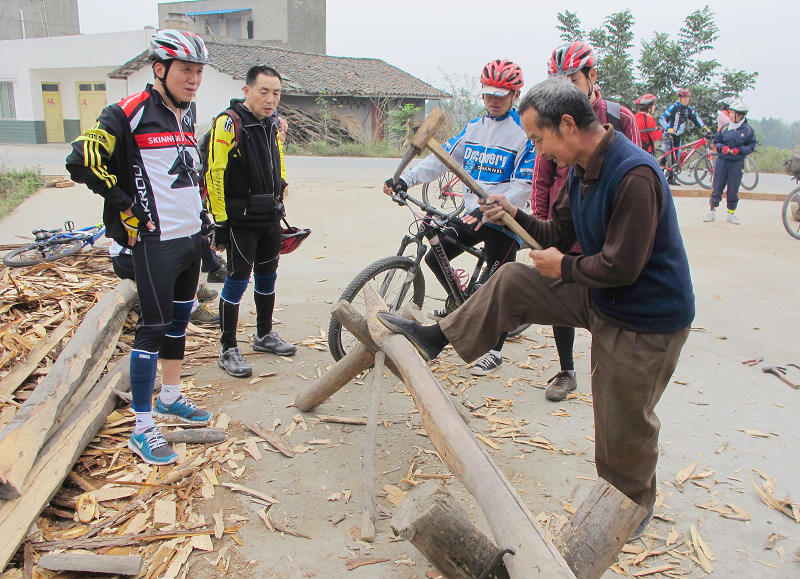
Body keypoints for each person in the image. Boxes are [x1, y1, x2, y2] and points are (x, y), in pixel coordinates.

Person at [377, 77, 695, 539]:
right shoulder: (580, 169)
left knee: (621, 419)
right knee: (513, 281)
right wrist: (513, 215)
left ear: (567, 125)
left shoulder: (634, 175)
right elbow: (556, 235)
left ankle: (627, 506)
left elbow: (624, 266)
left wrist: (564, 267)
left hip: (644, 316)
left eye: (539, 139)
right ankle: (435, 338)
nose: (538, 151)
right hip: (603, 293)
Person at [66, 29, 213, 466]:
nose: (194, 79)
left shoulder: (186, 112)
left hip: (189, 238)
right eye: (186, 70)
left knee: (179, 321)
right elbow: (81, 159)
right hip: (154, 242)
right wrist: (124, 203)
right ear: (160, 69)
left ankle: (170, 396)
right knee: (152, 329)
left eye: (199, 71)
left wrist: (204, 218)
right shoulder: (127, 111)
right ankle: (142, 427)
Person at [383, 58, 535, 376]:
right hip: (471, 214)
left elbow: (523, 186)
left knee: (497, 285)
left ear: (515, 95)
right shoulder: (474, 129)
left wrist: (490, 208)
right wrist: (405, 179)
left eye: (501, 94)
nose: (493, 100)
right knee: (435, 254)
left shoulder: (523, 134)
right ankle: (463, 304)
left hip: (504, 221)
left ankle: (494, 350)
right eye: (488, 93)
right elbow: (441, 160)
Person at [533, 41, 640, 401]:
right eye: (558, 82)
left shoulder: (619, 119)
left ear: (592, 76)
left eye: (573, 80)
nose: (565, 89)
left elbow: (636, 172)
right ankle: (566, 370)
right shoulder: (551, 120)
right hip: (567, 220)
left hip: (604, 224)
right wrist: (542, 221)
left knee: (607, 296)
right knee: (560, 292)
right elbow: (542, 176)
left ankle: (607, 372)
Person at [207, 65, 296, 379]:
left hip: (269, 217)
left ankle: (264, 334)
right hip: (241, 220)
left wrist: (281, 186)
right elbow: (215, 172)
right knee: (237, 280)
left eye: (276, 93)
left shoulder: (271, 123)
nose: (271, 99)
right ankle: (228, 348)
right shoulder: (228, 123)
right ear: (247, 91)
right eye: (264, 92)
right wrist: (220, 221)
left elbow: (278, 158)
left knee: (268, 275)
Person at [108, 240, 220, 324]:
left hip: (140, 254)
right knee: (177, 259)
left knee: (185, 248)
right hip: (127, 259)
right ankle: (192, 310)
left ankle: (193, 290)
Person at [703, 99, 757, 225]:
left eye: (733, 113)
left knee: (733, 188)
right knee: (717, 186)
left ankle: (731, 213)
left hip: (736, 163)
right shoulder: (725, 128)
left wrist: (740, 150)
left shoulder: (748, 131)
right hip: (722, 161)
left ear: (740, 115)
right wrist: (722, 148)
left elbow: (752, 146)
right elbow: (717, 141)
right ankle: (712, 211)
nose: (731, 115)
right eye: (730, 112)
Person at [659, 88, 709, 181]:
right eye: (683, 97)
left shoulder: (688, 109)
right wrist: (668, 128)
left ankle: (671, 178)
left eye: (687, 97)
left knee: (676, 159)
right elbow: (662, 118)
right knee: (665, 157)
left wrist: (703, 127)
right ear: (679, 98)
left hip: (678, 135)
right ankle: (659, 178)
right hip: (668, 135)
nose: (686, 99)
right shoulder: (673, 107)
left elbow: (696, 118)